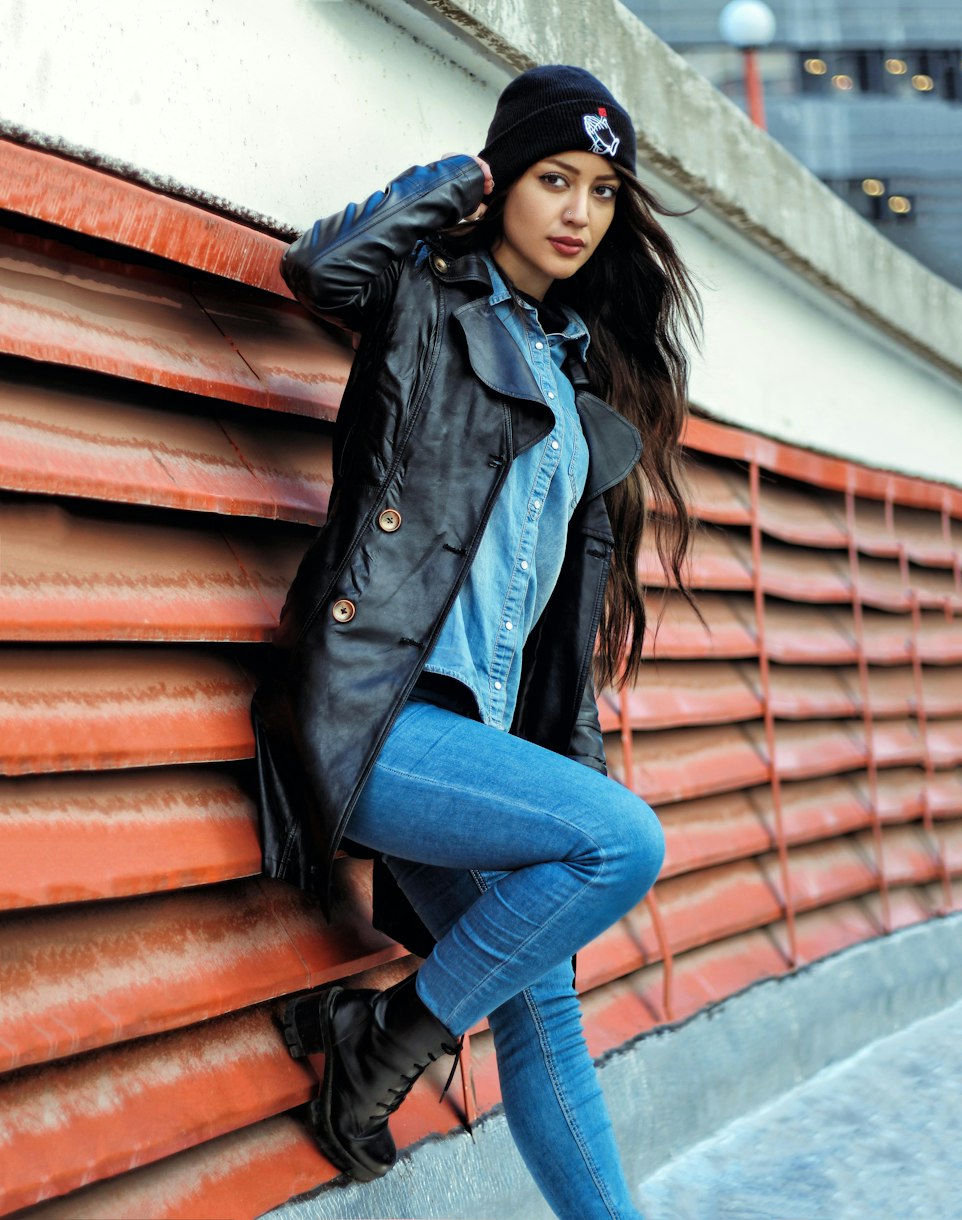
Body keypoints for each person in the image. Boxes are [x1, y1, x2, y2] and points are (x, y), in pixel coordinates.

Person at [251, 64, 700, 1220]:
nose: (577, 213)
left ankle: (385, 1041)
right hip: (373, 720)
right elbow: (316, 267)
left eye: (602, 192)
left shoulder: (573, 369)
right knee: (620, 843)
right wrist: (460, 178)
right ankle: (380, 1037)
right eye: (554, 178)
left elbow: (553, 631)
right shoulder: (424, 297)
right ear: (506, 179)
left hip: (471, 752)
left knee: (544, 1006)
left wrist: (563, 772)